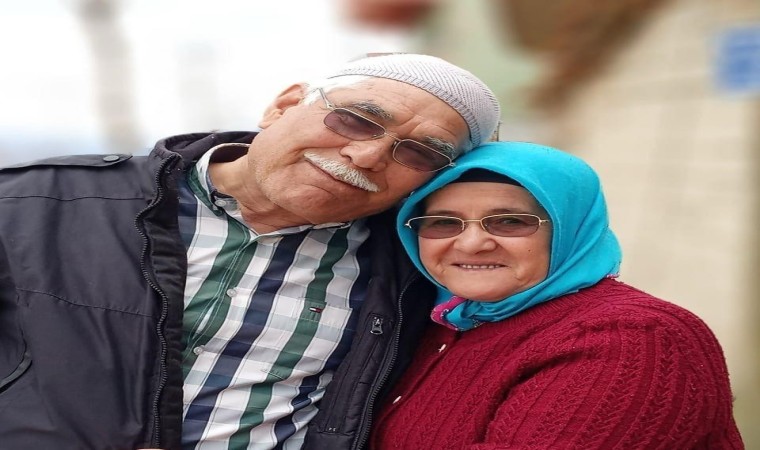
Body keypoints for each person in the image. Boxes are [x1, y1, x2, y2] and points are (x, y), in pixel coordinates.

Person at [0, 53, 501, 450]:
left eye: (418, 153)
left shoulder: (417, 272)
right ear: (284, 105)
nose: (366, 155)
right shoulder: (34, 204)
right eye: (355, 120)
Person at [370, 141, 744, 449]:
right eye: (442, 222)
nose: (471, 243)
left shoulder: (633, 335)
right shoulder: (443, 322)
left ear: (568, 230)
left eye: (510, 222)